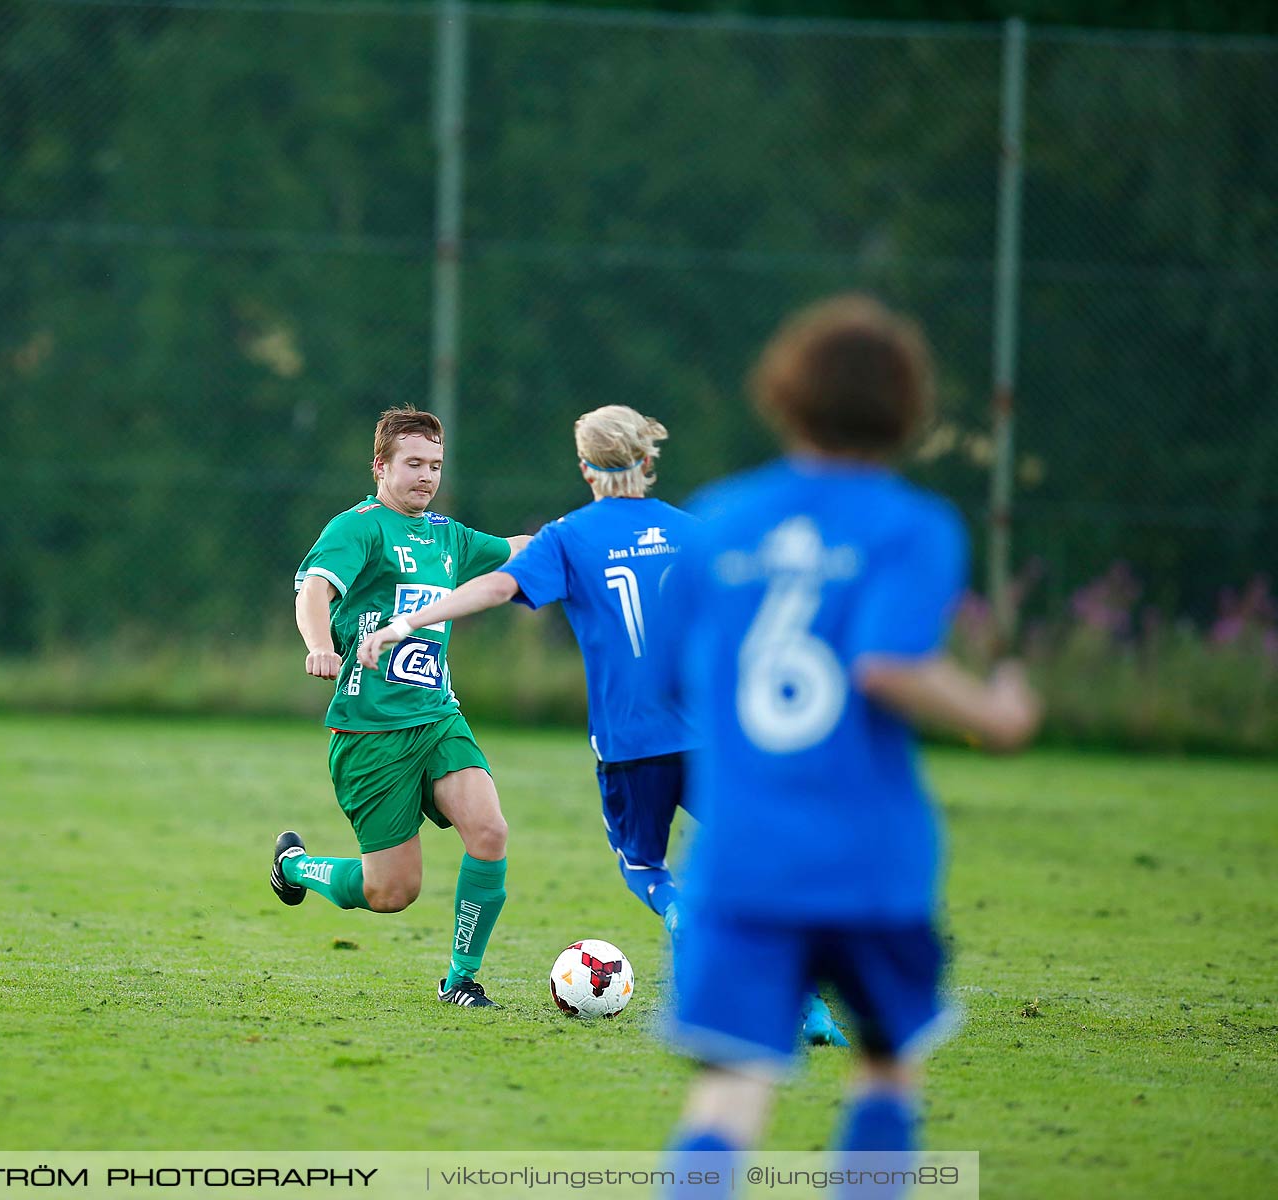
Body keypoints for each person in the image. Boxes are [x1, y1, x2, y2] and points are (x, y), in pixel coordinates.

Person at [655, 295, 1041, 1191]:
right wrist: (998, 714)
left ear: (784, 394)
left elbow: (683, 668)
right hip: (869, 861)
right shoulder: (913, 526)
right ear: (907, 407)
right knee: (883, 1069)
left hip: (745, 856)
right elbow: (886, 665)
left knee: (729, 1093)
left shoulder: (720, 519)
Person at [358, 405, 846, 1047]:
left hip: (630, 744)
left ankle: (681, 918)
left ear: (586, 468)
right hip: (711, 736)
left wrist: (409, 622)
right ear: (647, 462)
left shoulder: (570, 536)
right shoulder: (694, 530)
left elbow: (498, 589)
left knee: (644, 867)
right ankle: (811, 1008)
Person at [272, 405, 530, 1008]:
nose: (426, 476)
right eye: (413, 463)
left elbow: (518, 549)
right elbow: (314, 591)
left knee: (489, 831)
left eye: (435, 465)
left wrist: (588, 533)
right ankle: (296, 865)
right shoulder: (357, 528)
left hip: (438, 717)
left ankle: (460, 981)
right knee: (391, 893)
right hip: (370, 732)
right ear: (381, 466)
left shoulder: (449, 535)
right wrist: (317, 646)